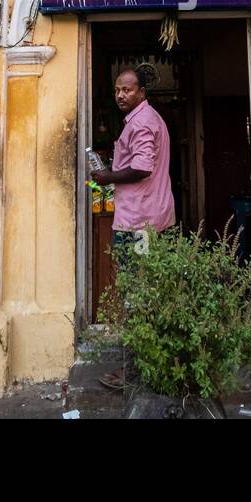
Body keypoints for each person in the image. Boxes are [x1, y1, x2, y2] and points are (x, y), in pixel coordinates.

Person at [91, 67, 175, 390]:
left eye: (127, 90)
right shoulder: (147, 120)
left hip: (139, 225)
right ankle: (149, 364)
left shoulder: (141, 123)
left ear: (142, 92)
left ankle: (136, 373)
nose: (121, 95)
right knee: (145, 294)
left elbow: (140, 168)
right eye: (117, 90)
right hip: (149, 218)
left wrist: (107, 176)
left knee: (137, 297)